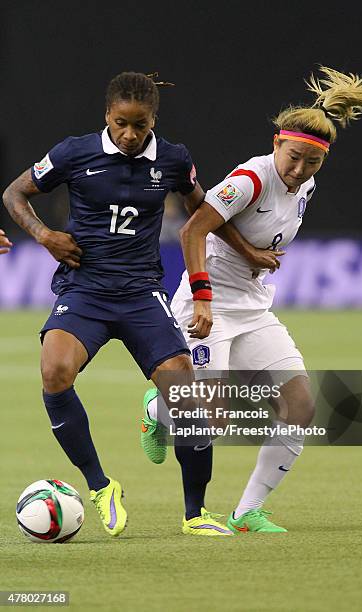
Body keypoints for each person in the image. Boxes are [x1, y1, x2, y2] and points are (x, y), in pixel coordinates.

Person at [141, 66, 362, 533]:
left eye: (312, 162)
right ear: (275, 144)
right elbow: (192, 229)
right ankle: (157, 410)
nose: (299, 169)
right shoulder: (251, 178)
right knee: (213, 419)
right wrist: (203, 298)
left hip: (254, 307)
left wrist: (249, 255)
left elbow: (248, 236)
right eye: (293, 157)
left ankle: (247, 513)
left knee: (300, 406)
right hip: (209, 307)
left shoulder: (305, 185)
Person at [2, 71, 236, 537]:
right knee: (54, 372)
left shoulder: (173, 159)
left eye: (141, 125)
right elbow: (15, 192)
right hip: (84, 289)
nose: (130, 134)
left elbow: (203, 212)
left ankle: (195, 514)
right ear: (107, 116)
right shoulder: (74, 152)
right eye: (122, 123)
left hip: (141, 293)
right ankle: (100, 485)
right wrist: (45, 236)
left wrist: (239, 257)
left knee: (185, 394)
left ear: (153, 120)